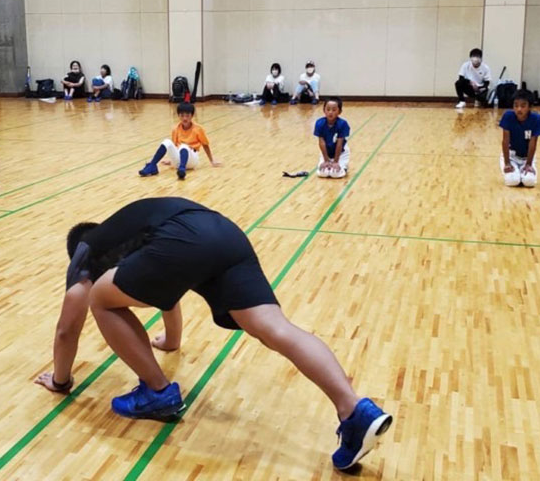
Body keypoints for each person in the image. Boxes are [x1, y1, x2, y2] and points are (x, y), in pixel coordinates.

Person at [62, 197, 392, 471]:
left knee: (101, 298)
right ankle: (354, 410)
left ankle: (156, 392)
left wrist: (60, 381)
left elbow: (67, 327)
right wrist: (172, 341)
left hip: (184, 237)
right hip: (225, 233)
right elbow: (164, 291)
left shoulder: (86, 250)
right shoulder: (132, 235)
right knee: (275, 328)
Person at [34, 226, 183, 394]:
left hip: (157, 271)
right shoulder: (124, 235)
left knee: (103, 303)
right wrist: (172, 340)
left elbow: (66, 331)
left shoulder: (83, 257)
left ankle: (156, 388)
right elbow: (168, 290)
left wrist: (59, 382)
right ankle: (171, 341)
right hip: (181, 261)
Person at [137, 102, 220, 179]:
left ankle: (182, 169)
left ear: (192, 115)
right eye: (182, 115)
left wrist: (212, 161)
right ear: (178, 115)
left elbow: (205, 145)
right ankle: (152, 165)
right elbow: (174, 147)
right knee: (167, 141)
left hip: (192, 160)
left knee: (184, 146)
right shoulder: (175, 129)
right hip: (179, 161)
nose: (185, 118)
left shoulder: (198, 129)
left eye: (187, 115)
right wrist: (170, 160)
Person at [499, 90, 540, 187]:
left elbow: (533, 143)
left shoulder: (536, 119)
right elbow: (505, 141)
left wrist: (528, 164)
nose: (519, 109)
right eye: (516, 105)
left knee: (529, 182)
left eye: (523, 106)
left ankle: (523, 172)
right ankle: (516, 173)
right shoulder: (508, 116)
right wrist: (507, 163)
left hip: (527, 157)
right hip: (511, 156)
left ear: (529, 107)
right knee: (513, 181)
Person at [315, 97, 350, 179]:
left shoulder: (343, 124)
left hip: (341, 153)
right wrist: (326, 160)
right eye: (328, 109)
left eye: (334, 110)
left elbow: (339, 143)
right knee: (323, 173)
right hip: (326, 153)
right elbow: (321, 142)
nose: (330, 112)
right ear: (324, 110)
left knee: (335, 174)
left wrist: (335, 161)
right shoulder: (319, 123)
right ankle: (328, 163)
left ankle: (344, 166)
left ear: (339, 111)